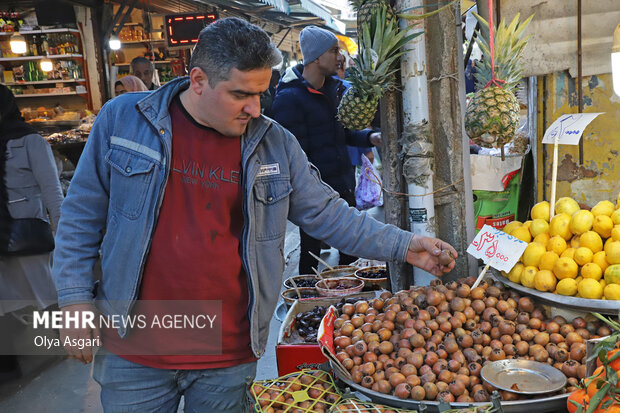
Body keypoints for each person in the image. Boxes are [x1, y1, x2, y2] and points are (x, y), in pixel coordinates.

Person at [52, 17, 457, 412]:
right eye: (241, 94)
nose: (255, 107)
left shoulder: (274, 143)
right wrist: (73, 300)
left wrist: (405, 245)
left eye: (262, 93)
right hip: (134, 352)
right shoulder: (125, 119)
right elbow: (81, 215)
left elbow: (328, 214)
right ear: (198, 81)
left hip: (227, 354)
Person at [271, 26, 382, 274]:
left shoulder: (335, 89)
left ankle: (348, 303)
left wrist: (370, 137)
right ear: (316, 57)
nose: (340, 57)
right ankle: (304, 301)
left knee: (351, 251)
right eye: (334, 51)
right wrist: (308, 191)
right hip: (312, 193)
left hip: (343, 184)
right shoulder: (289, 98)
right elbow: (292, 154)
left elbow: (342, 132)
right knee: (311, 255)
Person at [0, 85, 63, 377]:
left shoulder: (31, 143)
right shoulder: (28, 141)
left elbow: (52, 191)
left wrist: (65, 236)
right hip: (14, 235)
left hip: (24, 233)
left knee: (45, 292)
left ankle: (65, 339)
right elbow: (52, 191)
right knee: (17, 297)